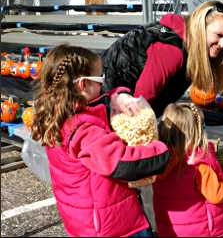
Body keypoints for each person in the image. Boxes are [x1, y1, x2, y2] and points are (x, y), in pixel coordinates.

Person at [30, 44, 170, 237]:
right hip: (112, 227)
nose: (103, 84)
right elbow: (123, 163)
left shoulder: (60, 113)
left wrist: (117, 95)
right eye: (99, 79)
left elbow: (101, 100)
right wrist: (161, 150)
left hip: (87, 219)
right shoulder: (83, 131)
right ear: (82, 85)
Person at [102, 0, 223, 117]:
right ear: (200, 27)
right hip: (113, 98)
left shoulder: (196, 43)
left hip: (132, 101)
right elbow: (142, 99)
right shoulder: (173, 51)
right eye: (218, 35)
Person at [153, 102, 223, 237]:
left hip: (169, 230)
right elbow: (215, 194)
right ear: (198, 131)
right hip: (202, 231)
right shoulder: (199, 164)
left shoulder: (157, 161)